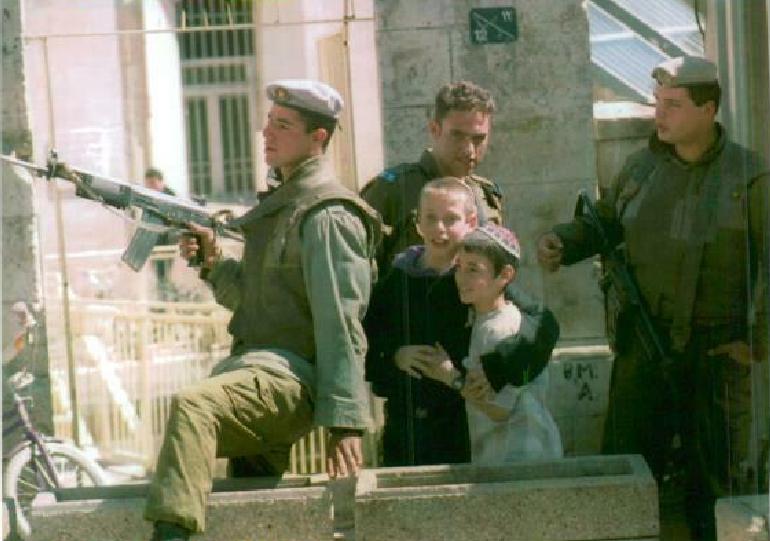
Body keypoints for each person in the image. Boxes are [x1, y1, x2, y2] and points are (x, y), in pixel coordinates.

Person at [536, 55, 768, 540]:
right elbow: (603, 222)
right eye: (658, 104)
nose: (660, 115)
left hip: (717, 359)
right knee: (623, 479)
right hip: (643, 349)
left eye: (674, 106)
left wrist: (758, 343)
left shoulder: (751, 180)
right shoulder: (641, 168)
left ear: (709, 110)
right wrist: (566, 240)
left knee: (717, 493)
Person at [143, 79, 382, 541]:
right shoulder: (283, 206)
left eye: (284, 125)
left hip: (292, 381)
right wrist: (213, 264)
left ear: (319, 139)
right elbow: (257, 305)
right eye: (269, 122)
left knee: (193, 407)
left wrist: (346, 421)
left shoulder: (327, 214)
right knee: (255, 507)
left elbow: (342, 322)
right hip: (257, 370)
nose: (267, 134)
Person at [362, 80, 560, 423]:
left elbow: (507, 291)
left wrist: (507, 364)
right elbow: (364, 298)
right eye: (457, 136)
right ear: (435, 129)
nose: (469, 149)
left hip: (473, 377)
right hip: (418, 383)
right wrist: (390, 355)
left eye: (479, 138)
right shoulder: (392, 191)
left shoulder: (485, 197)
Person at [364, 179, 558, 466]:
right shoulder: (398, 280)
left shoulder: (481, 278)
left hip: (462, 427)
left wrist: (499, 366)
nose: (439, 229)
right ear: (418, 223)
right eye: (430, 218)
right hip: (407, 427)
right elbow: (365, 338)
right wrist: (394, 356)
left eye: (450, 219)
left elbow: (544, 325)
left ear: (470, 222)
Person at [423, 223, 562, 465]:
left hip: (519, 454)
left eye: (473, 270)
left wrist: (450, 377)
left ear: (505, 275)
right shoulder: (483, 317)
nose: (461, 278)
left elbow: (500, 410)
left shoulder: (498, 329)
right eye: (459, 267)